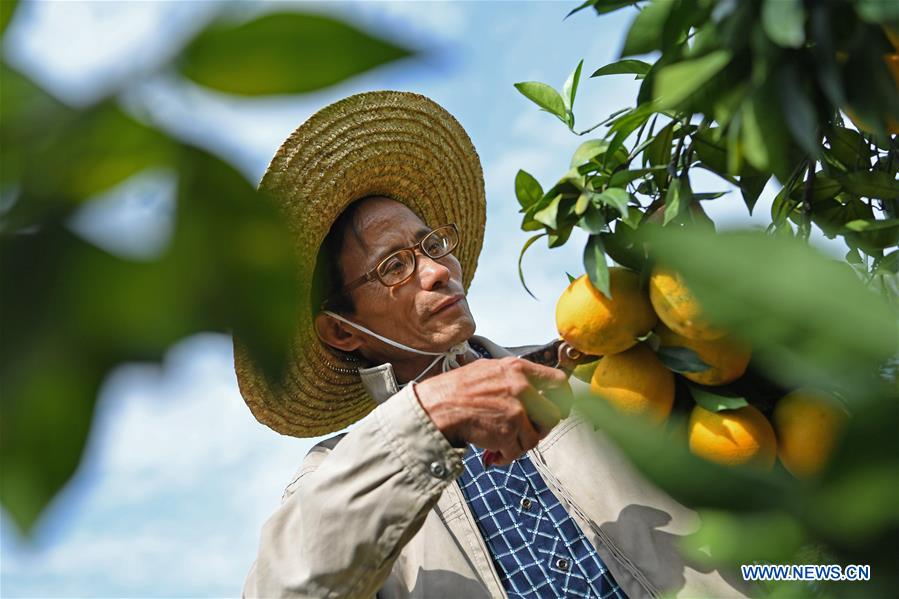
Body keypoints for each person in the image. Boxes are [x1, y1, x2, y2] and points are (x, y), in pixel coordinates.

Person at [234, 91, 751, 598]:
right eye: (395, 266)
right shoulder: (336, 472)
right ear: (342, 330)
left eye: (432, 245)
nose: (438, 272)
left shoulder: (590, 370)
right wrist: (429, 415)